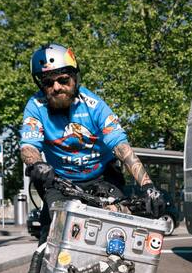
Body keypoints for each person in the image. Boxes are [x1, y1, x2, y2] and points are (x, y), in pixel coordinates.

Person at [20, 43, 163, 244]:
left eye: (63, 80)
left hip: (103, 177)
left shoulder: (93, 105)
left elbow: (122, 148)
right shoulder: (35, 106)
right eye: (48, 83)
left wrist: (148, 186)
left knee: (117, 236)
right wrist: (37, 164)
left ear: (75, 78)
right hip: (60, 182)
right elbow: (29, 146)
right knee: (51, 237)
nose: (56, 87)